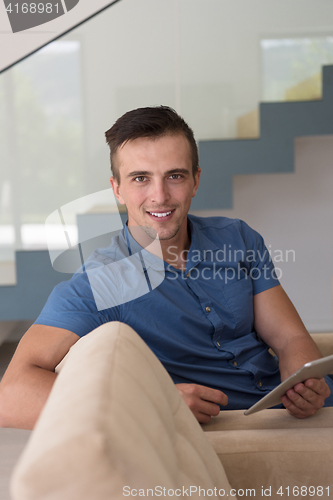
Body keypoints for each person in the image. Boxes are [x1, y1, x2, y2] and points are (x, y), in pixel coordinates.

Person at [0, 106, 331, 430]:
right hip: (241, 429)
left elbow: (290, 339)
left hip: (305, 414)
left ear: (195, 181)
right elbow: (11, 397)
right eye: (140, 178)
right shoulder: (100, 282)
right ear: (117, 189)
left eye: (175, 176)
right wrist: (151, 403)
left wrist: (305, 379)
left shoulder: (237, 237)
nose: (160, 196)